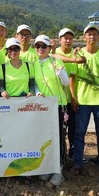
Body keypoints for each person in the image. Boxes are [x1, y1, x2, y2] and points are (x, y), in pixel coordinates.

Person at [69, 24, 99, 175]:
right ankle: (77, 162)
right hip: (83, 100)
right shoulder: (78, 54)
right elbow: (73, 78)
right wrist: (73, 97)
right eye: (89, 34)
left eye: (95, 34)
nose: (92, 37)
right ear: (84, 37)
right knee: (79, 133)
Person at [33, 35, 70, 167]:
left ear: (49, 48)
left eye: (44, 46)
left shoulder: (56, 62)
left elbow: (66, 83)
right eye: (38, 46)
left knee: (59, 136)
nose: (40, 49)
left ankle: (59, 166)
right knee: (45, 136)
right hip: (44, 106)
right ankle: (47, 165)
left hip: (59, 104)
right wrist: (37, 92)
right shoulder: (35, 64)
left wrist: (62, 75)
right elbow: (34, 83)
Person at [55, 28, 79, 160]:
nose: (68, 41)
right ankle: (60, 153)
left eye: (70, 38)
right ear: (60, 40)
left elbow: (72, 78)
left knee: (73, 127)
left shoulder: (75, 54)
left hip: (69, 98)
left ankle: (72, 152)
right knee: (60, 129)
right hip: (57, 98)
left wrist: (73, 97)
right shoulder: (55, 52)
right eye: (65, 38)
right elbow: (53, 57)